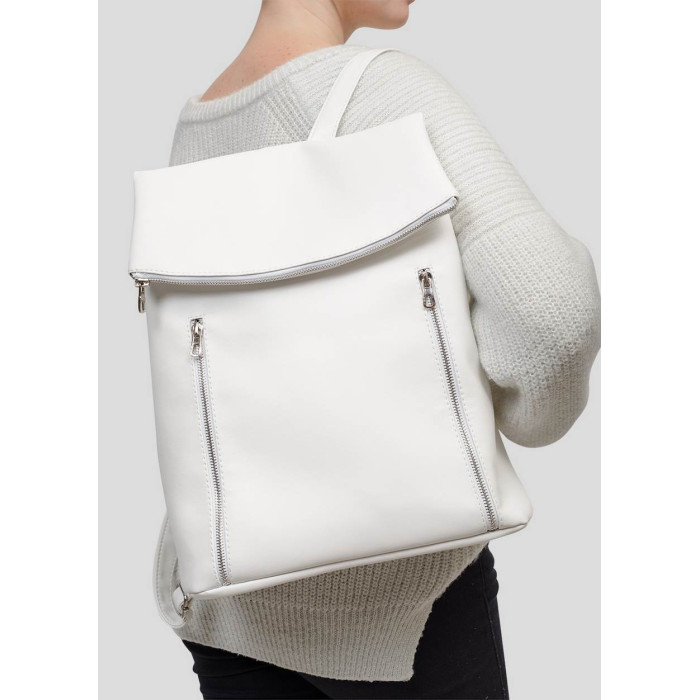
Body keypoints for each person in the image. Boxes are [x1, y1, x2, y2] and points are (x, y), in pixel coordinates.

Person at [168, 1, 601, 698]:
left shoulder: (200, 121)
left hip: (226, 600)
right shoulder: (380, 89)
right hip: (395, 601)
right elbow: (550, 308)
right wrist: (525, 418)